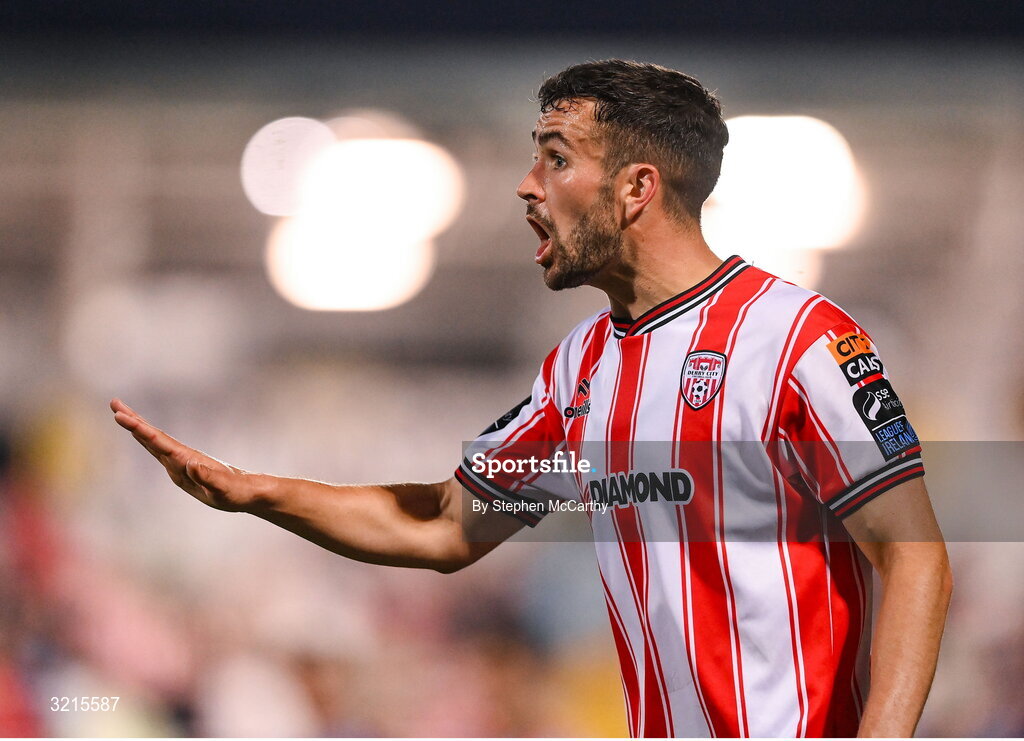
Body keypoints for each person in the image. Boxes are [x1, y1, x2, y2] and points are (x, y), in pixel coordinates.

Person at [111, 60, 952, 738]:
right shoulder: (580, 370)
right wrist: (256, 492)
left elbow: (913, 555)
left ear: (635, 189)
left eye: (555, 157)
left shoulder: (800, 338)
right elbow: (446, 523)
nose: (525, 184)